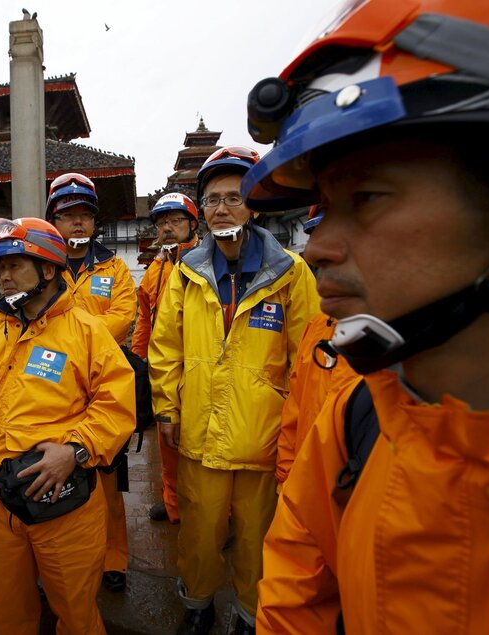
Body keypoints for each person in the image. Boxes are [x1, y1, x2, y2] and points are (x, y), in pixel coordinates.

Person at [241, 1, 489, 632]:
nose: (318, 247)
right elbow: (293, 601)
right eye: (323, 208)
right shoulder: (356, 421)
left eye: (369, 198)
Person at [149, 147, 319, 634]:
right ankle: (198, 605)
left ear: (255, 205)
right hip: (199, 432)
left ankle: (249, 614)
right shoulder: (187, 275)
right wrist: (166, 409)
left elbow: (306, 359)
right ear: (201, 211)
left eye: (234, 197)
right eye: (212, 200)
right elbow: (165, 348)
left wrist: (295, 427)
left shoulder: (291, 273)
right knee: (199, 534)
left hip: (263, 438)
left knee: (258, 537)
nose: (222, 208)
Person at [0, 217, 136, 634]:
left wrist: (75, 450)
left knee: (76, 613)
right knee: (6, 606)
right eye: (0, 267)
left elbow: (117, 404)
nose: (4, 276)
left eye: (14, 265)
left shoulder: (87, 331)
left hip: (62, 502)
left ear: (48, 269)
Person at [46, 172, 138, 593]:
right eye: (68, 216)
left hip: (104, 386)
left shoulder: (115, 268)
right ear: (54, 221)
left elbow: (123, 319)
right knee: (57, 476)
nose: (77, 224)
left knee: (107, 480)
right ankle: (61, 562)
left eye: (84, 216)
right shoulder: (43, 267)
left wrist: (75, 335)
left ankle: (113, 558)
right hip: (55, 388)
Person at [274, 210, 358, 489]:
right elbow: (295, 411)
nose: (315, 253)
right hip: (306, 490)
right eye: (315, 236)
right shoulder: (317, 327)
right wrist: (287, 480)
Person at [131, 192, 201, 524]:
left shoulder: (206, 260)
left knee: (203, 443)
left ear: (192, 224)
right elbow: (145, 315)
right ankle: (173, 503)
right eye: (162, 223)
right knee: (166, 440)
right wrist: (139, 358)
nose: (168, 229)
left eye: (175, 221)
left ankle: (221, 513)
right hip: (163, 366)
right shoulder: (155, 268)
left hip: (198, 362)